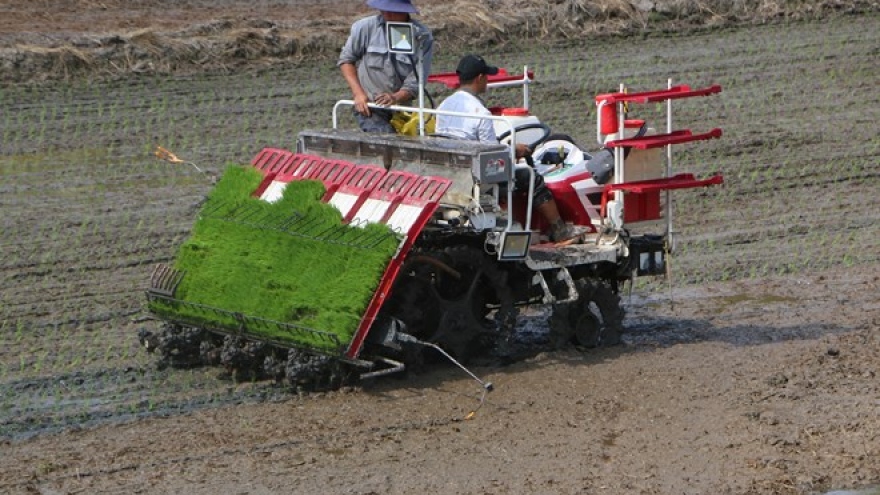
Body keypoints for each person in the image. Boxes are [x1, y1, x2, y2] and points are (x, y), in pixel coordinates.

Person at [435, 54, 575, 243]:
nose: (487, 81)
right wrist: (515, 151)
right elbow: (491, 155)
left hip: (453, 171)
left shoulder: (444, 106)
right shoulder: (481, 113)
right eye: (486, 77)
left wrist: (508, 148)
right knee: (531, 177)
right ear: (479, 78)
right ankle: (559, 230)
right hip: (476, 178)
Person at [338, 0, 434, 133]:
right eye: (384, 9)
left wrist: (396, 97)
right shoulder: (365, 28)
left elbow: (417, 79)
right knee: (384, 137)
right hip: (371, 106)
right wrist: (358, 94)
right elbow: (346, 60)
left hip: (401, 109)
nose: (387, 14)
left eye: (394, 10)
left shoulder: (421, 36)